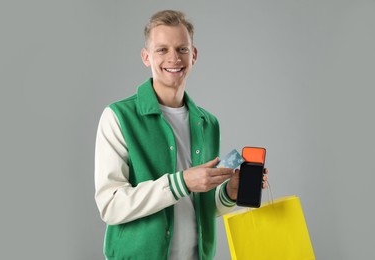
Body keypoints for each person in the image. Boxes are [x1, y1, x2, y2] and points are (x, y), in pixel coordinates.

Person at [95, 10, 267, 260]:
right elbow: (110, 205)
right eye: (162, 50)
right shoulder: (117, 117)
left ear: (194, 55)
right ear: (146, 57)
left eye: (182, 49)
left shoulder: (208, 123)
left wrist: (229, 193)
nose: (173, 58)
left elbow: (198, 205)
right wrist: (181, 182)